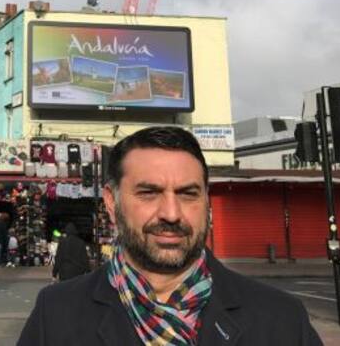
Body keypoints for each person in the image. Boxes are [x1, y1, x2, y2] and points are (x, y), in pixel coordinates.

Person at [18, 126, 322, 345]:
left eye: (188, 193)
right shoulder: (55, 314)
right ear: (111, 202)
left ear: (206, 200)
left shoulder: (281, 318)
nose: (172, 214)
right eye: (149, 193)